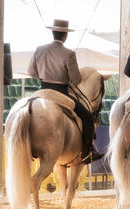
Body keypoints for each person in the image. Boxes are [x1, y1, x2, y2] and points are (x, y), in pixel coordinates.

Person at [27, 19, 103, 164]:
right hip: (61, 93)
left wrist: (43, 77)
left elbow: (31, 71)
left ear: (53, 32)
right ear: (65, 35)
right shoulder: (69, 53)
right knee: (87, 117)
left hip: (42, 91)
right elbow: (76, 80)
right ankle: (87, 153)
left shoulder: (40, 49)